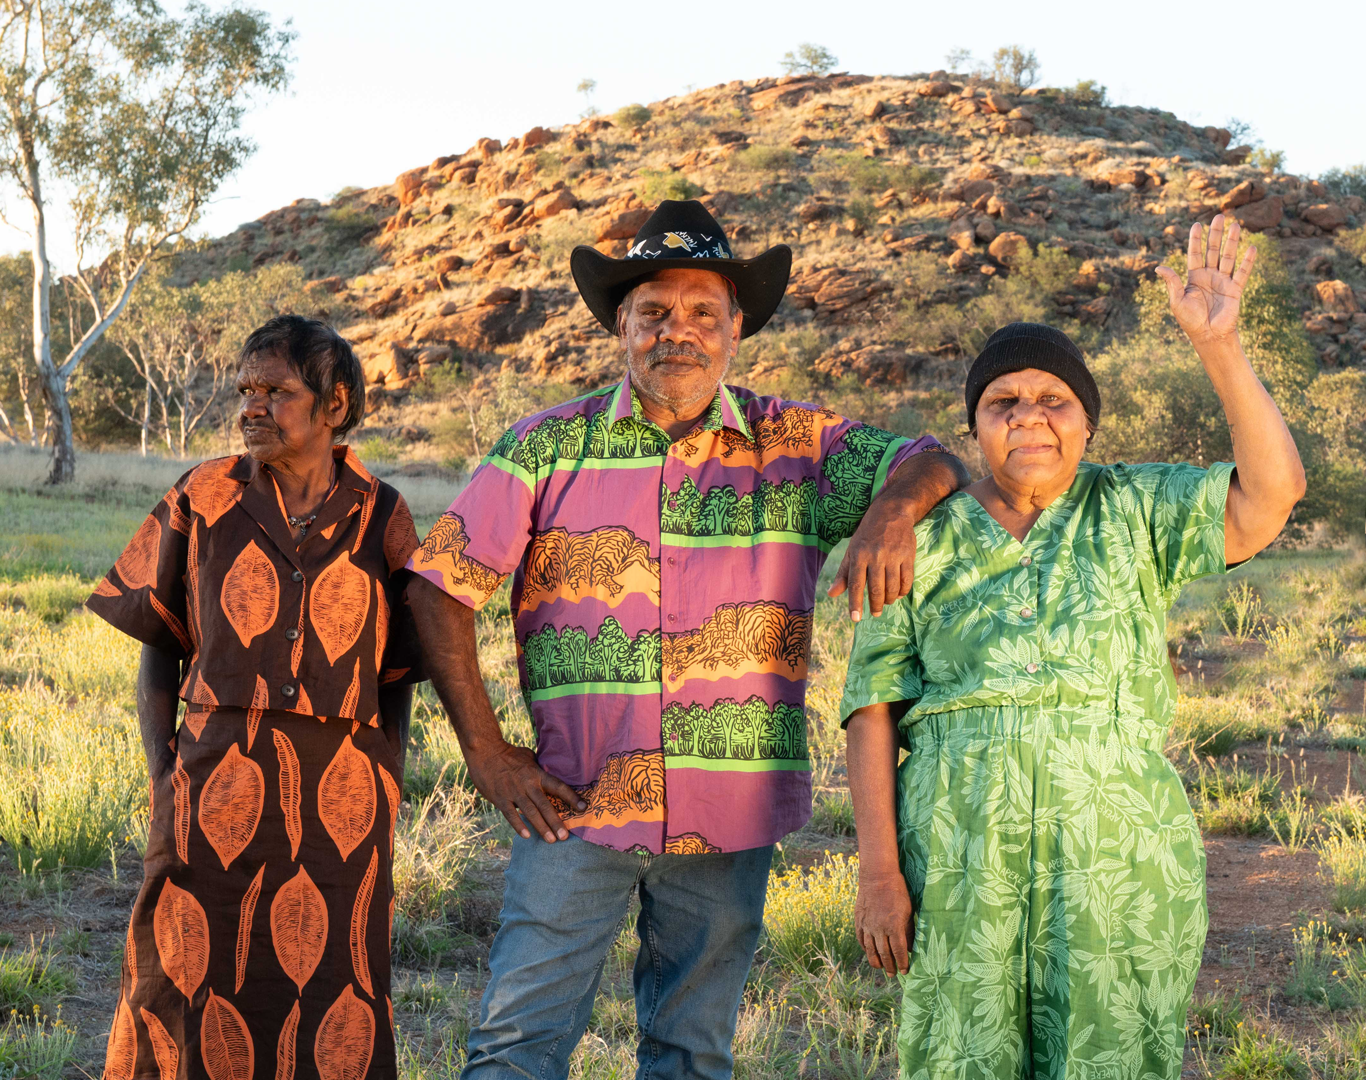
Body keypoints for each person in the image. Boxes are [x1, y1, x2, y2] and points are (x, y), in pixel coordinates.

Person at [405, 198, 972, 1080]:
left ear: (736, 329)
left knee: (693, 1054)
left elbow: (936, 459)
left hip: (730, 812)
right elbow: (439, 585)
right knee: (517, 1045)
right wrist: (485, 752)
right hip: (573, 804)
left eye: (704, 312)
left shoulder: (796, 445)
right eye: (654, 312)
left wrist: (893, 509)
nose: (680, 332)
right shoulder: (545, 449)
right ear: (619, 325)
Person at [841, 215, 1306, 1080]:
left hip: (1116, 848)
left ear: (1087, 424)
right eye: (1002, 402)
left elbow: (1273, 494)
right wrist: (878, 874)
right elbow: (870, 707)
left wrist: (1221, 348)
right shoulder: (917, 539)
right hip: (957, 847)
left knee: (1112, 1049)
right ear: (975, 427)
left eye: (1053, 400)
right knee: (960, 1054)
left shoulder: (1132, 507)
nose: (1030, 418)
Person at [90, 316, 423, 1080]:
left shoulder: (383, 514)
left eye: (278, 391)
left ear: (336, 405)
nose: (253, 407)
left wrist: (386, 785)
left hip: (342, 809)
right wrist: (161, 774)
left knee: (336, 984)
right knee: (179, 976)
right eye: (246, 390)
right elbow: (158, 643)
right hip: (208, 792)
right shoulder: (202, 496)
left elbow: (398, 676)